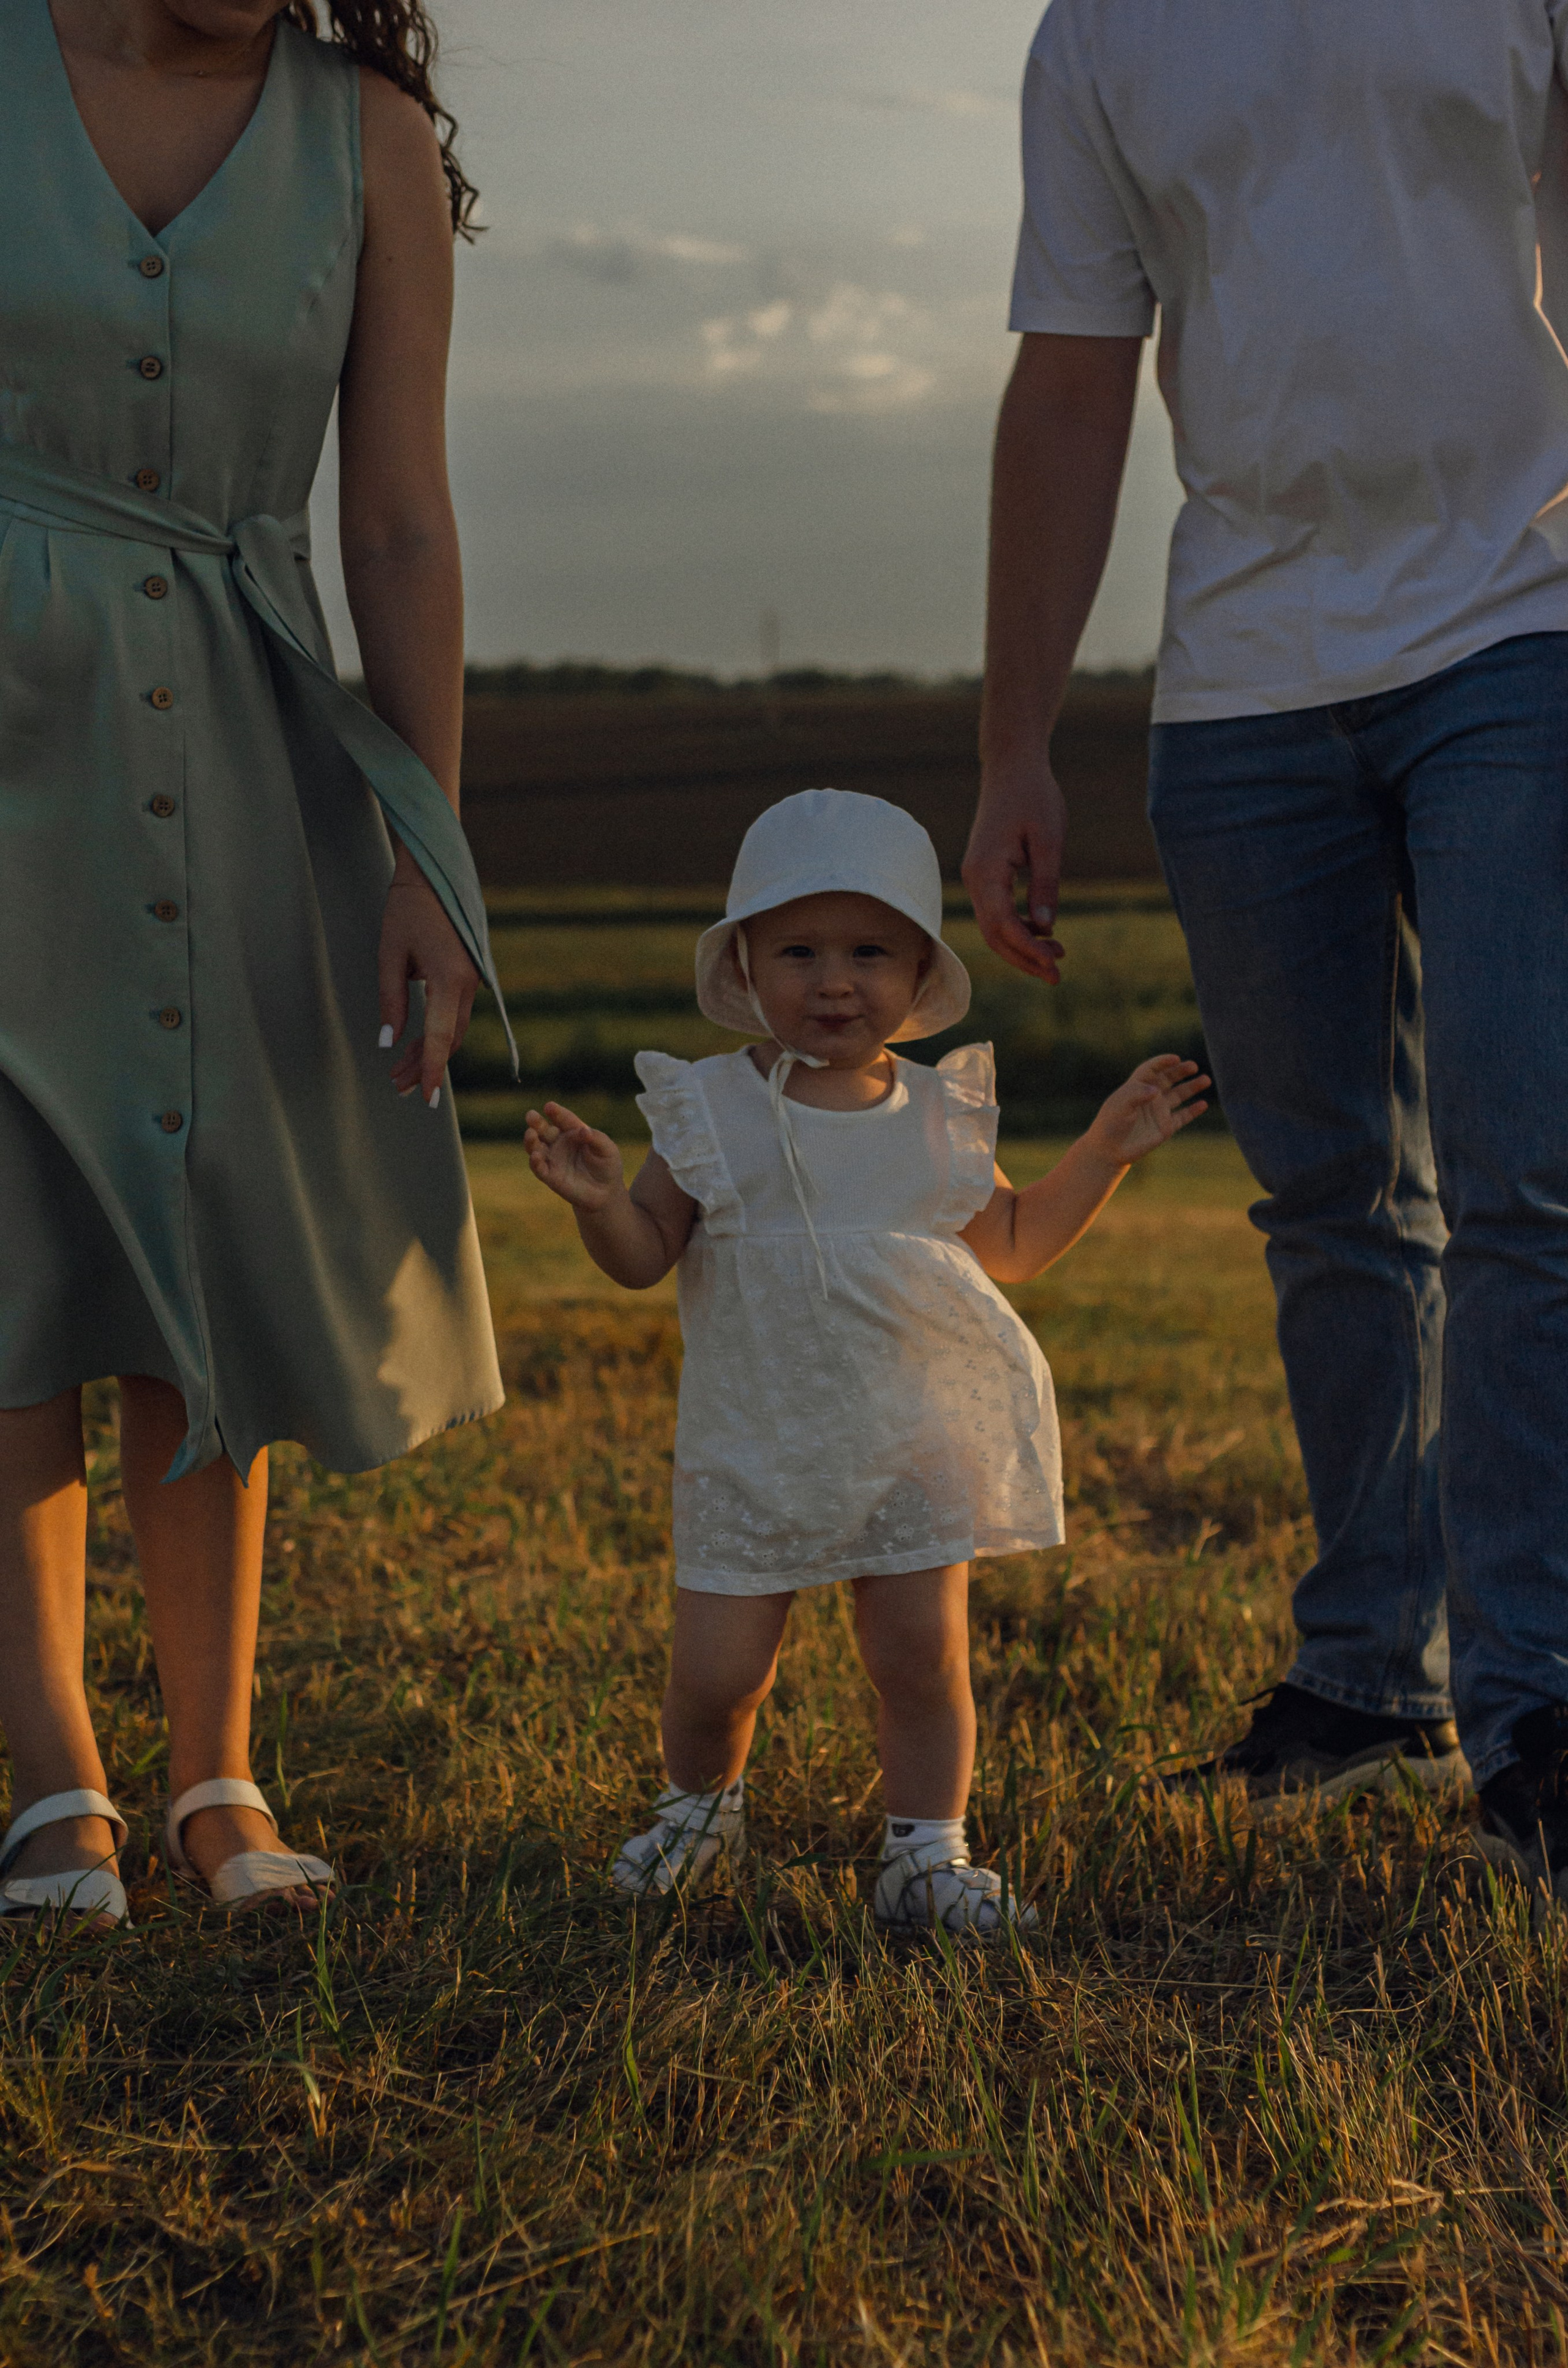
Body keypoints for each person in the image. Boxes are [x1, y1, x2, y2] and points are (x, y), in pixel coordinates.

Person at [965, 1, 1568, 1877]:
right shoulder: (1099, 39)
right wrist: (1014, 748)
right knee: (1325, 1199)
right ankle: (1372, 1676)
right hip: (1242, 684)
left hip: (1522, 625)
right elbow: (1072, 383)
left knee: (1526, 1179)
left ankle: (1538, 1714)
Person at [0, 0, 508, 1926]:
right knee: (12, 1241)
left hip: (248, 736)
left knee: (210, 1227)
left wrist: (426, 847)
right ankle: (58, 1779)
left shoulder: (365, 136)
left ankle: (216, 1767)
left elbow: (395, 519)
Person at [524, 790, 1207, 1935]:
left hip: (910, 1437)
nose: (834, 981)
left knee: (924, 1661)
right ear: (744, 963)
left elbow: (1020, 1242)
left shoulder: (938, 1115)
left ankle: (926, 1855)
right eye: (798, 950)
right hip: (759, 1439)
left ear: (918, 970)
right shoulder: (710, 1108)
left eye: (869, 952)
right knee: (717, 1673)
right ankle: (699, 1814)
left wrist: (1104, 1150)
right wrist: (601, 1202)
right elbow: (644, 1258)